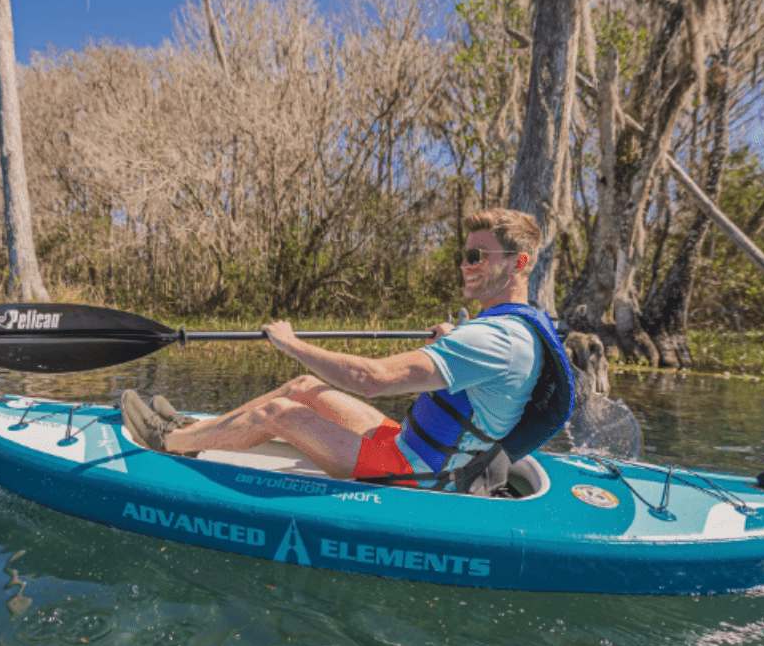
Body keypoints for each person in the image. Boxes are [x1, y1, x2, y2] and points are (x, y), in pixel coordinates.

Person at [120, 208, 573, 494]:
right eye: (465, 255)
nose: (465, 265)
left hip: (415, 472)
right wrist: (452, 338)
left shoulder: (494, 339)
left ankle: (167, 442)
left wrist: (292, 343)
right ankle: (196, 430)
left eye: (478, 256)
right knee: (304, 387)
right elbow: (483, 364)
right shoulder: (509, 328)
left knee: (279, 414)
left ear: (519, 263)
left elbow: (370, 380)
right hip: (409, 444)